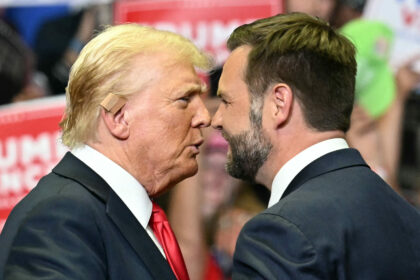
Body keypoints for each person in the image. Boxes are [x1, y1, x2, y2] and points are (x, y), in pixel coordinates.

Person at [211, 12, 420, 279]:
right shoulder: (407, 218)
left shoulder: (279, 234)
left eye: (227, 102)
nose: (216, 120)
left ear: (279, 104)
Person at [0, 23, 211, 279]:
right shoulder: (61, 218)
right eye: (184, 99)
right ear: (119, 117)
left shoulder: (114, 211)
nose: (204, 116)